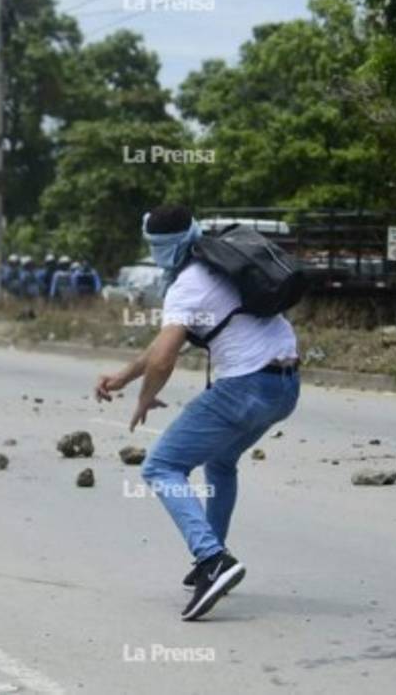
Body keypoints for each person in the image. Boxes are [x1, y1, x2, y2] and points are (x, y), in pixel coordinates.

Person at [93, 204, 300, 622]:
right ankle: (215, 555)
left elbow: (165, 358)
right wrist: (125, 376)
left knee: (160, 467)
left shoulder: (187, 284)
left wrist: (145, 397)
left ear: (159, 246)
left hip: (244, 388)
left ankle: (213, 560)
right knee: (221, 464)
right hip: (285, 386)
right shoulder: (221, 264)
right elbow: (163, 345)